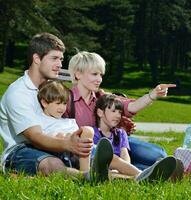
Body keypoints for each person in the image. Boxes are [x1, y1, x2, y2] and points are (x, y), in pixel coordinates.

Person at [0, 33, 115, 183]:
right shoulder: (18, 93)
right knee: (52, 164)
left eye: (61, 59)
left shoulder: (53, 88)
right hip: (21, 150)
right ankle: (86, 177)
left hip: (54, 142)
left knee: (98, 155)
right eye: (54, 58)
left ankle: (136, 176)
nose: (60, 64)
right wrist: (67, 144)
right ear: (36, 59)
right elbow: (35, 137)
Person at [36, 80, 178, 182]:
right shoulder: (42, 122)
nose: (62, 108)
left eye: (63, 104)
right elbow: (43, 141)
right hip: (72, 156)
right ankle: (89, 175)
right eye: (57, 104)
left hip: (89, 151)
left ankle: (141, 175)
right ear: (44, 103)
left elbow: (127, 106)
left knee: (114, 161)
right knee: (103, 170)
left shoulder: (69, 121)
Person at [64, 51, 175, 170]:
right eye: (94, 74)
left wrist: (152, 95)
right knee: (141, 163)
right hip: (89, 150)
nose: (99, 79)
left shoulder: (102, 96)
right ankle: (145, 171)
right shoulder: (65, 100)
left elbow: (130, 106)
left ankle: (143, 170)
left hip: (114, 140)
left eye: (101, 75)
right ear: (78, 74)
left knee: (158, 154)